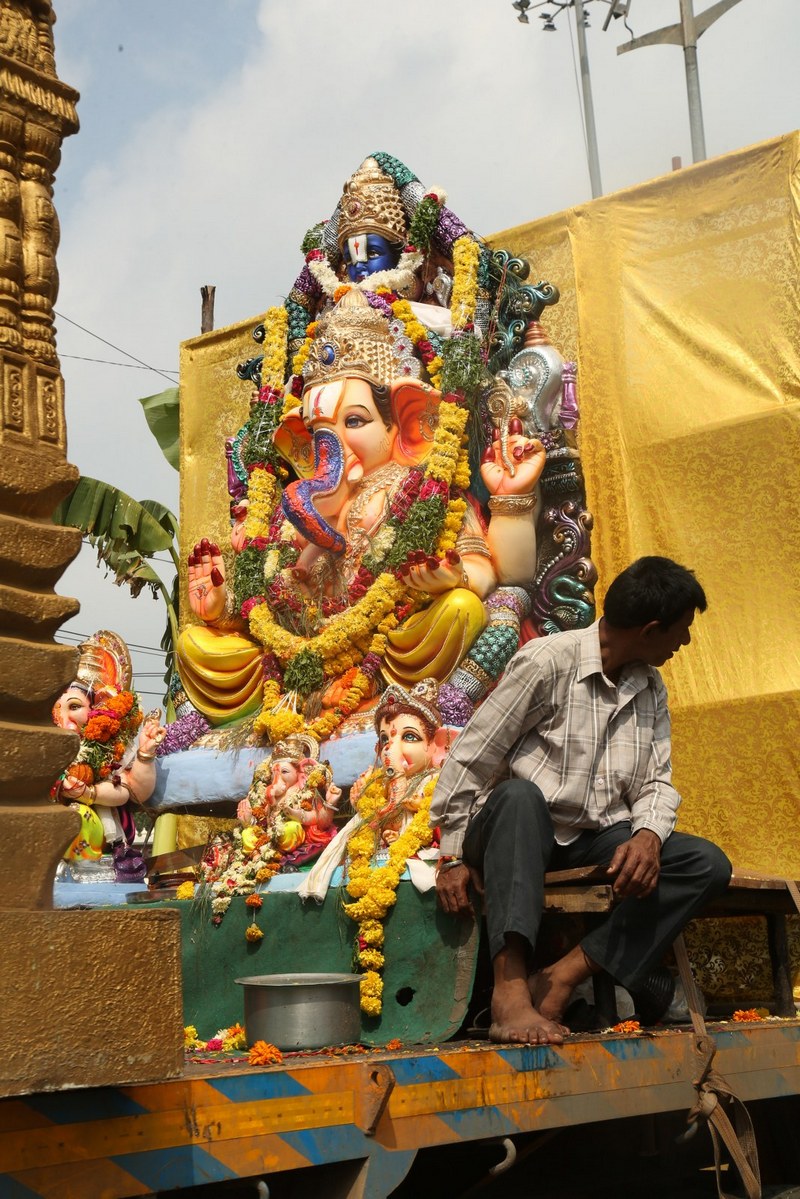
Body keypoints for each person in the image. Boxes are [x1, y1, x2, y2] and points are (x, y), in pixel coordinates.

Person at [429, 556, 732, 1045]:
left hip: (591, 839)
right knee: (520, 797)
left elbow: (656, 782)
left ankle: (563, 976)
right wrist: (451, 854)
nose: (685, 642)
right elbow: (470, 759)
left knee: (704, 863)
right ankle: (509, 994)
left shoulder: (649, 685)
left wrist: (649, 834)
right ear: (652, 630)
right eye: (682, 630)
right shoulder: (547, 661)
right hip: (516, 832)